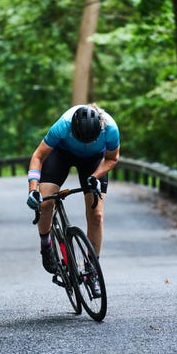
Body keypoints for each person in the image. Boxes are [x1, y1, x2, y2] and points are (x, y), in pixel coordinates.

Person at [26, 104, 120, 294]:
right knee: (45, 203)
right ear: (72, 130)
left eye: (90, 140)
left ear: (100, 130)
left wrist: (95, 176)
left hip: (94, 160)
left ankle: (92, 270)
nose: (85, 143)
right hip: (61, 155)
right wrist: (33, 189)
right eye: (81, 139)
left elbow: (112, 158)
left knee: (97, 215)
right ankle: (46, 246)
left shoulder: (110, 128)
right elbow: (38, 156)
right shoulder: (63, 125)